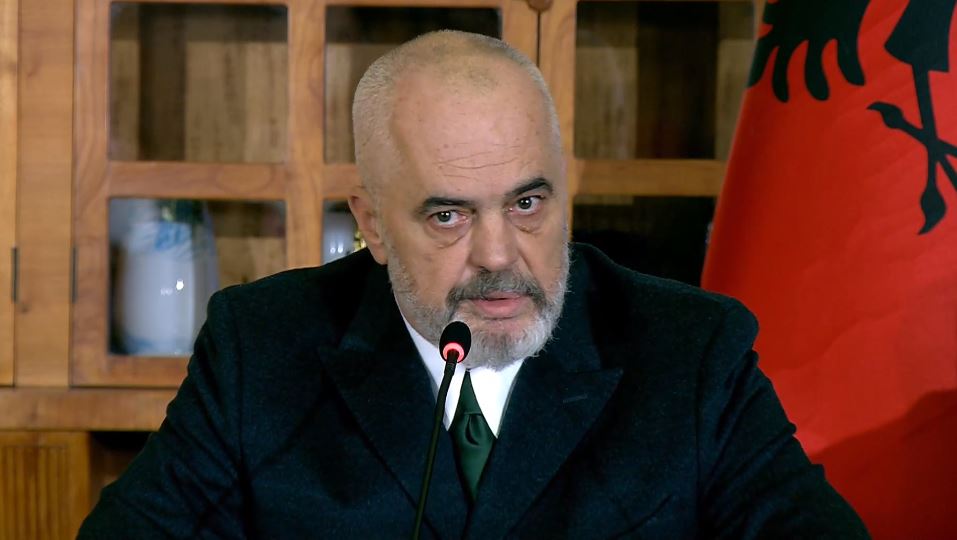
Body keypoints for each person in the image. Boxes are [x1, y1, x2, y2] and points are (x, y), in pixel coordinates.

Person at [78, 31, 868, 539]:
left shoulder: (690, 351)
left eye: (526, 204)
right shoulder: (263, 347)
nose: (497, 255)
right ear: (373, 224)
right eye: (448, 215)